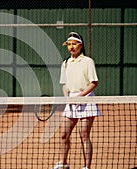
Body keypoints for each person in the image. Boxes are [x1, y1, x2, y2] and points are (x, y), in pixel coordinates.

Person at [52, 32, 102, 169]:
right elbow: (64, 84)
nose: (71, 47)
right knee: (64, 135)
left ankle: (86, 167)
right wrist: (67, 98)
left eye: (74, 44)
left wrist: (80, 96)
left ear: (80, 45)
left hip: (86, 100)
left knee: (84, 135)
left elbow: (93, 82)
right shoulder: (66, 63)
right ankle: (63, 163)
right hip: (71, 101)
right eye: (69, 44)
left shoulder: (88, 61)